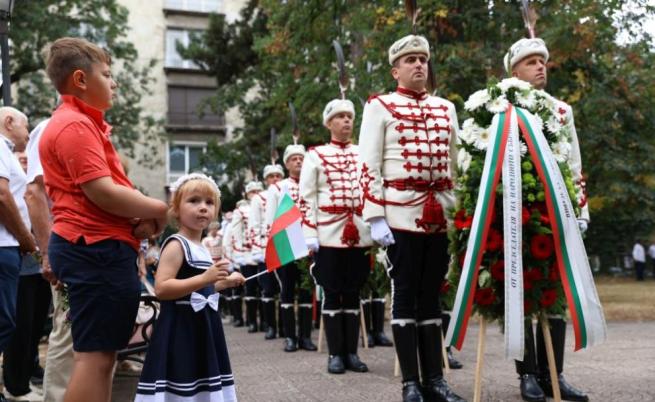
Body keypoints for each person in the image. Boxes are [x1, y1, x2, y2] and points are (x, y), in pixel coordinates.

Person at [40, 37, 168, 402]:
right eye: (108, 75)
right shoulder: (75, 126)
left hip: (94, 248)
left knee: (100, 356)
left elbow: (104, 193)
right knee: (94, 358)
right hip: (94, 250)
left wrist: (146, 216)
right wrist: (161, 209)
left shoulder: (80, 124)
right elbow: (103, 193)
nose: (114, 83)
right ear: (81, 80)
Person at [358, 35, 465, 402]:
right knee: (404, 295)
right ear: (396, 69)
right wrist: (375, 217)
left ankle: (435, 380)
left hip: (440, 213)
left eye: (422, 58)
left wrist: (462, 210)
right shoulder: (379, 106)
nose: (419, 64)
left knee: (432, 296)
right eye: (410, 60)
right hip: (400, 214)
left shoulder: (446, 107)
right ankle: (410, 382)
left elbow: (456, 163)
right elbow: (368, 164)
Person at [504, 36, 590, 402]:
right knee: (522, 294)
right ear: (514, 71)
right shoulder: (500, 107)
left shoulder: (561, 111)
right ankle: (528, 375)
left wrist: (580, 210)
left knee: (554, 296)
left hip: (557, 214)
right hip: (514, 213)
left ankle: (555, 374)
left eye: (543, 61)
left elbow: (574, 164)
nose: (540, 67)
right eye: (531, 62)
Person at [134, 173, 244, 401]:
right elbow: (163, 288)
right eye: (194, 201)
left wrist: (224, 283)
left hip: (203, 326)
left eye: (209, 202)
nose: (202, 208)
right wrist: (206, 278)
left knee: (202, 382)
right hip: (180, 328)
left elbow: (201, 290)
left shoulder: (201, 246)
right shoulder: (176, 244)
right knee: (182, 381)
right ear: (176, 209)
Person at [299, 98, 372, 374]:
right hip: (329, 232)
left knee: (354, 292)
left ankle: (352, 353)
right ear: (329, 123)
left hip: (359, 231)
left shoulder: (363, 152)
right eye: (340, 117)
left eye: (349, 117)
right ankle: (335, 355)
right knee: (332, 292)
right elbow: (307, 198)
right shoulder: (315, 155)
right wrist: (310, 233)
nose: (346, 121)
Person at [2, 151, 51, 401]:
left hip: (37, 266)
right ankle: (15, 385)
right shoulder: (14, 188)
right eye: (19, 158)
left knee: (35, 325)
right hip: (21, 262)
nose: (24, 161)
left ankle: (29, 372)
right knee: (18, 325)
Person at [0, 107, 37, 402]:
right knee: (4, 321)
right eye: (26, 125)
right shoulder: (1, 145)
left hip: (9, 246)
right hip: (5, 246)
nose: (28, 132)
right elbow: (2, 195)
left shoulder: (7, 151)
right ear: (9, 122)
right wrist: (25, 237)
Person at [265, 144, 317, 352]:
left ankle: (305, 337)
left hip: (308, 245)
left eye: (301, 158)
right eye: (293, 159)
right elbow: (271, 220)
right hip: (286, 244)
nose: (298, 161)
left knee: (306, 290)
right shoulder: (277, 188)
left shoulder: (311, 185)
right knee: (287, 291)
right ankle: (290, 337)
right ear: (286, 163)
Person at [249, 164, 284, 340]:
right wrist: (258, 249)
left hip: (285, 244)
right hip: (266, 246)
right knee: (268, 288)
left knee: (285, 289)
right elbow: (254, 226)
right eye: (271, 176)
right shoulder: (259, 198)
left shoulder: (287, 190)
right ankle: (271, 326)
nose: (275, 179)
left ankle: (286, 328)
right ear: (265, 180)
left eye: (278, 175)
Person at [230, 181, 264, 333]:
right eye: (252, 191)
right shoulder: (242, 210)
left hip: (264, 252)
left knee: (265, 287)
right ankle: (252, 322)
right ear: (247, 194)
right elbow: (236, 234)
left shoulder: (266, 205)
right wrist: (238, 255)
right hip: (248, 254)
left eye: (258, 190)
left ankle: (265, 322)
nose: (256, 193)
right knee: (250, 288)